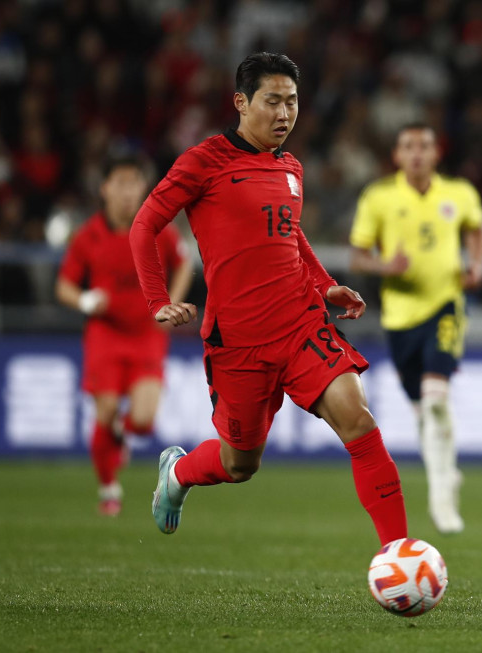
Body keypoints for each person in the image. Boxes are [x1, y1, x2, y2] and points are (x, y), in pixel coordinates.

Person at [129, 52, 408, 548]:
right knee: (241, 463)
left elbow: (290, 236)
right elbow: (145, 225)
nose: (285, 114)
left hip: (301, 325)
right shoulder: (203, 161)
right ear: (241, 102)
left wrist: (325, 286)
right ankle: (179, 474)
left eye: (293, 102)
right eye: (273, 101)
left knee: (358, 420)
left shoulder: (291, 167)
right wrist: (156, 300)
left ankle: (399, 554)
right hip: (238, 339)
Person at [349, 123, 482, 534]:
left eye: (424, 146)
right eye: (408, 146)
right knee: (422, 412)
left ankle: (442, 498)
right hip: (399, 317)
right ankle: (446, 471)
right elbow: (358, 255)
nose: (416, 154)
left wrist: (477, 264)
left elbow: (478, 230)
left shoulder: (459, 193)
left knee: (435, 400)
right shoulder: (379, 197)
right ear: (396, 155)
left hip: (446, 306)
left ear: (435, 153)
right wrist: (384, 266)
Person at [56, 154, 192, 516]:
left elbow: (185, 264)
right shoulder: (88, 236)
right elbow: (64, 286)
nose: (128, 191)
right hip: (105, 334)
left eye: (134, 183)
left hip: (147, 333)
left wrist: (170, 304)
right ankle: (108, 489)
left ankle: (120, 432)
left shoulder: (158, 229)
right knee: (106, 410)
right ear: (105, 188)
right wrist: (85, 299)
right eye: (121, 183)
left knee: (144, 420)